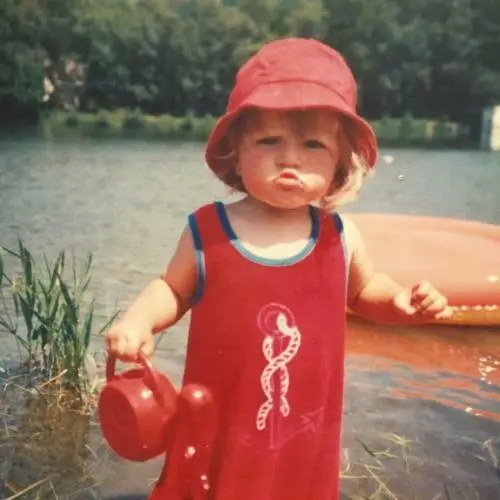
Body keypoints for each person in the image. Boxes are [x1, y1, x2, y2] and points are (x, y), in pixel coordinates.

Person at [105, 37, 451, 500]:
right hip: (219, 424)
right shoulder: (209, 231)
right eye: (269, 140)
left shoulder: (339, 237)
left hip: (304, 433)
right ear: (236, 149)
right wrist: (139, 320)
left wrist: (401, 303)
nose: (290, 157)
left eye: (313, 144)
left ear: (339, 163)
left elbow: (365, 290)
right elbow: (172, 289)